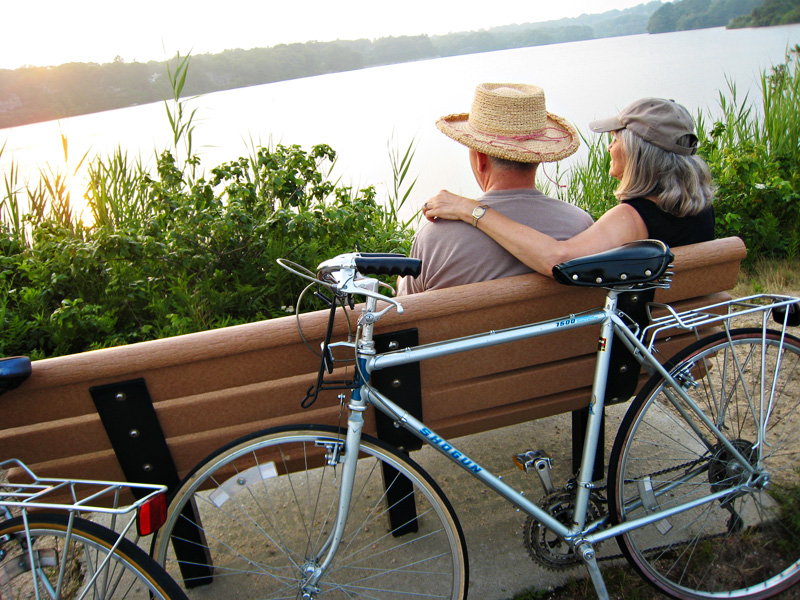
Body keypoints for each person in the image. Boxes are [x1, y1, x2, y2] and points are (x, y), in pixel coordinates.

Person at [419, 97, 715, 277]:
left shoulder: (634, 218)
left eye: (615, 138)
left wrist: (470, 209)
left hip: (638, 350)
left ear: (638, 153)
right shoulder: (699, 208)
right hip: (681, 337)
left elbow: (558, 260)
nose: (609, 147)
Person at [397, 83, 594, 295]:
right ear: (538, 157)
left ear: (480, 158)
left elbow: (408, 309)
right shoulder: (581, 227)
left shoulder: (434, 239)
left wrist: (402, 282)